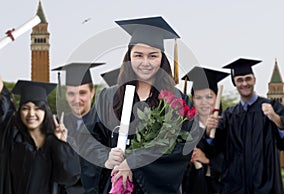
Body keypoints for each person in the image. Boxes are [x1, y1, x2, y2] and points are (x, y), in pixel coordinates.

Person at [92, 16, 198, 194]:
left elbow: (181, 147)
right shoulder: (108, 97)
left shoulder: (176, 100)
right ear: (129, 57)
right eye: (138, 55)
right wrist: (107, 158)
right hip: (116, 186)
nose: (145, 62)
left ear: (162, 60)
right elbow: (93, 139)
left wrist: (133, 163)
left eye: (153, 56)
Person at [0, 44, 80, 194]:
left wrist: (61, 144)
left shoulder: (54, 142)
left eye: (37, 108)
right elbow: (3, 102)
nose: (31, 113)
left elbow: (69, 177)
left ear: (45, 111)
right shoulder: (13, 139)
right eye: (25, 108)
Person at [206, 58, 284, 193]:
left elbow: (282, 141)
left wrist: (275, 118)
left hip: (265, 185)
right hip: (236, 186)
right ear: (235, 83)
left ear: (254, 79)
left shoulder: (272, 107)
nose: (244, 83)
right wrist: (209, 130)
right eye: (240, 80)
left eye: (248, 79)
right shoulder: (229, 115)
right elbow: (216, 148)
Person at [52, 62, 105, 194]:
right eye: (71, 94)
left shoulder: (104, 126)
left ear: (92, 92)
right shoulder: (57, 126)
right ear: (65, 95)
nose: (77, 99)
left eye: (82, 93)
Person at [181, 66, 228, 194]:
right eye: (198, 97)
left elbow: (236, 162)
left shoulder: (228, 126)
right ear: (193, 100)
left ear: (216, 98)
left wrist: (207, 160)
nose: (204, 102)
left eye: (209, 97)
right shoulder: (185, 127)